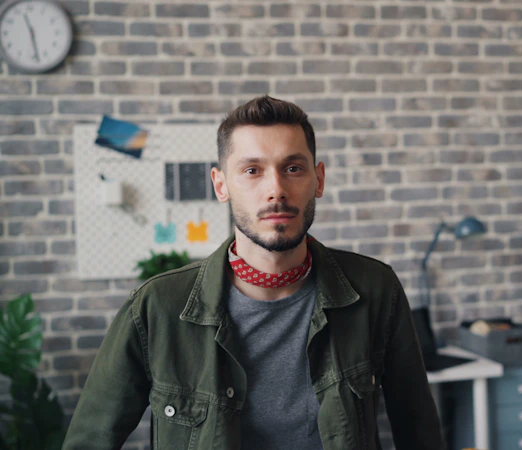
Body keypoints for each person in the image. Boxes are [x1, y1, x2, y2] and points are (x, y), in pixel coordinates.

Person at [62, 95, 445, 450]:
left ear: (319, 179)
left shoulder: (376, 291)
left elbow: (420, 433)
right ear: (221, 185)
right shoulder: (156, 308)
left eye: (293, 168)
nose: (275, 189)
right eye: (252, 170)